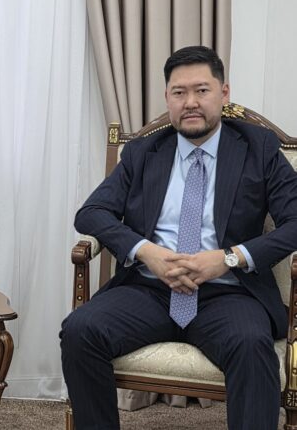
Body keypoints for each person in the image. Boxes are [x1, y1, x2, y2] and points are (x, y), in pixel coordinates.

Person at [60, 46, 297, 430]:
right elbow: (91, 213)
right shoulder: (143, 151)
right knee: (80, 331)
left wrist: (229, 258)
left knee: (252, 346)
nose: (190, 103)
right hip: (149, 290)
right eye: (179, 92)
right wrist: (146, 252)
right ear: (167, 97)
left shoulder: (259, 148)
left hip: (228, 292)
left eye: (202, 90)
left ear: (224, 93)